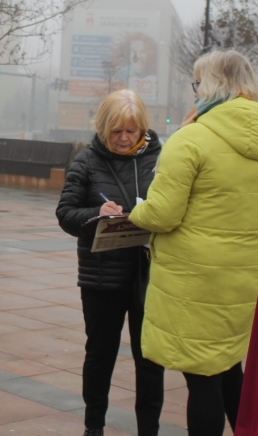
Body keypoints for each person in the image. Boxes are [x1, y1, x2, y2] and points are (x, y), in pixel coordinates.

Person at [129, 50, 258, 436]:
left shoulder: (192, 138)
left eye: (197, 83)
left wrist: (135, 212)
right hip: (243, 278)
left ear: (212, 85)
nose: (194, 92)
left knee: (201, 377)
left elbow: (162, 215)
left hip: (194, 282)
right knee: (228, 366)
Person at [56, 89, 166, 436]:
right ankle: (94, 426)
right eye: (116, 131)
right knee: (100, 354)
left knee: (150, 359)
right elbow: (66, 213)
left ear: (143, 128)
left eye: (131, 131)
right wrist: (96, 213)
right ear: (103, 128)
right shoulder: (87, 161)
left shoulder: (163, 159)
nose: (123, 138)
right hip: (101, 276)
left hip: (149, 274)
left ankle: (149, 429)